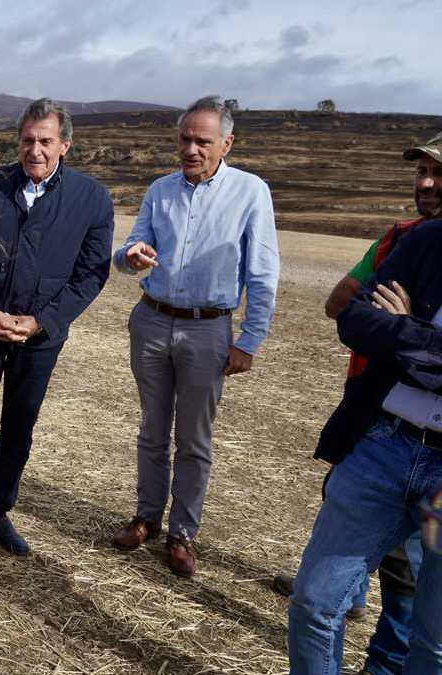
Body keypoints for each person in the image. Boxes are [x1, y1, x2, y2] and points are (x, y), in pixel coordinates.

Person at [275, 132, 442, 675]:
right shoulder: (419, 240)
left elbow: (385, 331)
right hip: (384, 444)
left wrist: (406, 334)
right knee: (315, 603)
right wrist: (419, 341)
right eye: (422, 170)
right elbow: (353, 317)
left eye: (440, 172)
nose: (426, 182)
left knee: (433, 644)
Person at [110, 95, 280, 577]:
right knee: (151, 429)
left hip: (208, 329)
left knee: (193, 438)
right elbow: (128, 252)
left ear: (227, 143)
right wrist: (131, 256)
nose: (191, 149)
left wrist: (248, 340)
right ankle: (147, 517)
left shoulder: (251, 192)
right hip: (152, 320)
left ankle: (182, 532)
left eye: (202, 141)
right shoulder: (160, 189)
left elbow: (263, 273)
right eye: (184, 139)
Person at [0, 98, 114, 556]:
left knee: (18, 427)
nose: (35, 150)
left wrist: (42, 322)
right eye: (28, 140)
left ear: (65, 144)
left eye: (46, 141)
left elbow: (90, 275)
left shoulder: (92, 198)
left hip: (40, 339)